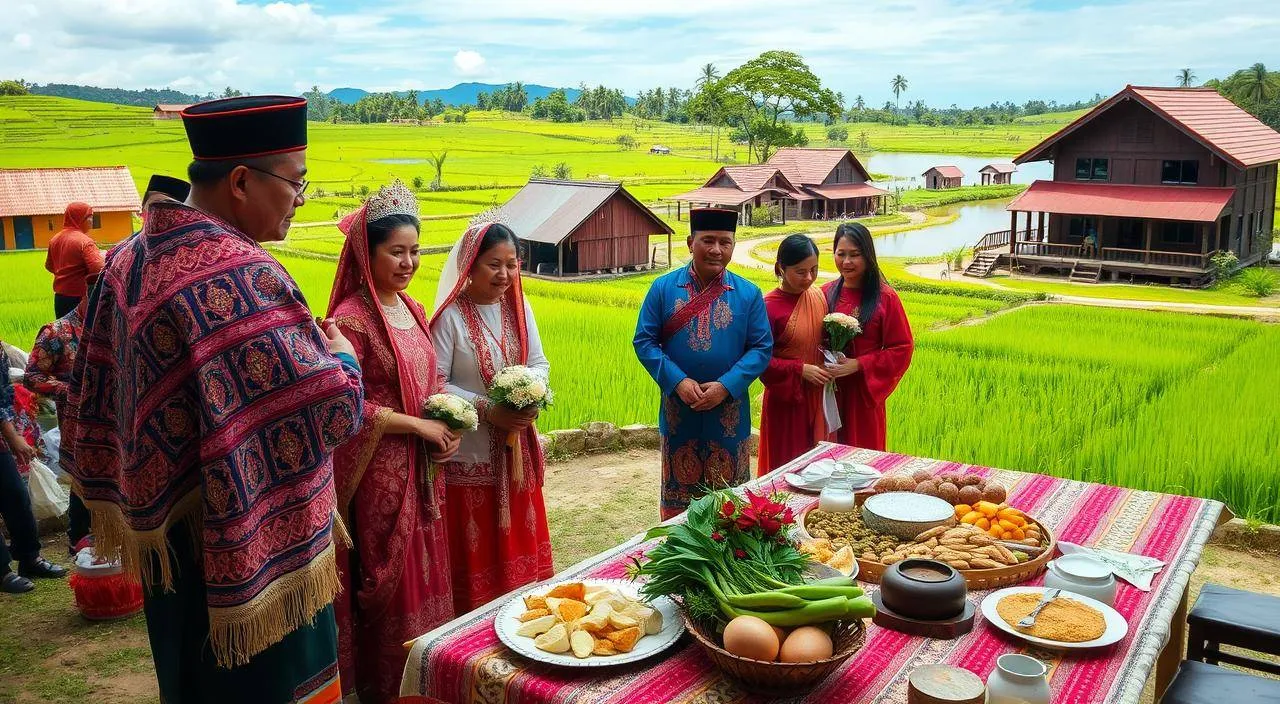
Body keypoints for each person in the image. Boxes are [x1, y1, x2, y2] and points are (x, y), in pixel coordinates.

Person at [63, 95, 364, 704]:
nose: (299, 200)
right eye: (296, 183)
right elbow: (331, 407)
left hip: (170, 542)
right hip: (256, 553)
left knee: (192, 680)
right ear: (242, 181)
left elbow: (90, 384)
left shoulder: (128, 259)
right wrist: (345, 359)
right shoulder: (242, 275)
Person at [327, 181, 460, 704]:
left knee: (429, 574)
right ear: (368, 253)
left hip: (425, 469)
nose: (408, 262)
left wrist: (444, 426)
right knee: (390, 582)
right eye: (396, 252)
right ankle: (389, 688)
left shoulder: (414, 308)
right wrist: (417, 427)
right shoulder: (350, 321)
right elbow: (346, 404)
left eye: (415, 251)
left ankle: (427, 682)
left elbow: (430, 384)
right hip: (379, 473)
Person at [430, 221, 553, 613]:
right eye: (493, 265)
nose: (504, 275)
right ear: (470, 265)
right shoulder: (450, 316)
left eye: (512, 264)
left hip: (517, 454)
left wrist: (530, 393)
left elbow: (538, 362)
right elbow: (436, 381)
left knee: (520, 541)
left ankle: (523, 615)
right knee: (476, 545)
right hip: (472, 453)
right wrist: (488, 409)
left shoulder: (520, 307)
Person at [633, 208, 773, 519]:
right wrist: (677, 381)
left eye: (725, 242)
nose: (716, 250)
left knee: (729, 501)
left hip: (729, 412)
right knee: (679, 490)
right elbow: (644, 341)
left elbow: (761, 348)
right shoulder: (663, 288)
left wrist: (726, 386)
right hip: (679, 408)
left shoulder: (748, 294)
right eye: (707, 240)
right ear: (690, 242)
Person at [820, 222, 914, 451]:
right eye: (841, 254)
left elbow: (902, 347)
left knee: (862, 458)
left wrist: (859, 365)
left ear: (868, 255)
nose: (846, 262)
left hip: (863, 396)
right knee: (825, 458)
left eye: (855, 254)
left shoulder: (886, 298)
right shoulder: (824, 293)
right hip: (826, 392)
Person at [24, 273, 97, 554]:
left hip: (115, 423)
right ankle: (78, 539)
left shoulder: (113, 329)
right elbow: (32, 376)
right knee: (82, 481)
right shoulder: (57, 332)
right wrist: (71, 390)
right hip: (77, 424)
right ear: (87, 296)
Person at [758, 235, 830, 474]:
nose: (809, 278)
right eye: (800, 272)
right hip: (787, 402)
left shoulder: (819, 297)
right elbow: (758, 361)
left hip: (820, 396)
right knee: (787, 469)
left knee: (820, 468)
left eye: (814, 270)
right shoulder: (768, 306)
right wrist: (800, 370)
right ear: (781, 268)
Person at [1, 344, 68, 594]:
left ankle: (29, 558)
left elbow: (4, 392)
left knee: (15, 495)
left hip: (2, 431)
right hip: (3, 430)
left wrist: (13, 432)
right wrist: (12, 435)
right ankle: (2, 571)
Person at [45, 202, 104, 318]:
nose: (92, 221)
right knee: (81, 334)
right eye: (89, 217)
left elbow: (49, 266)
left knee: (65, 333)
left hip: (60, 298)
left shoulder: (55, 239)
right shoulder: (84, 242)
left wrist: (67, 274)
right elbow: (98, 268)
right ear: (80, 218)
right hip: (80, 298)